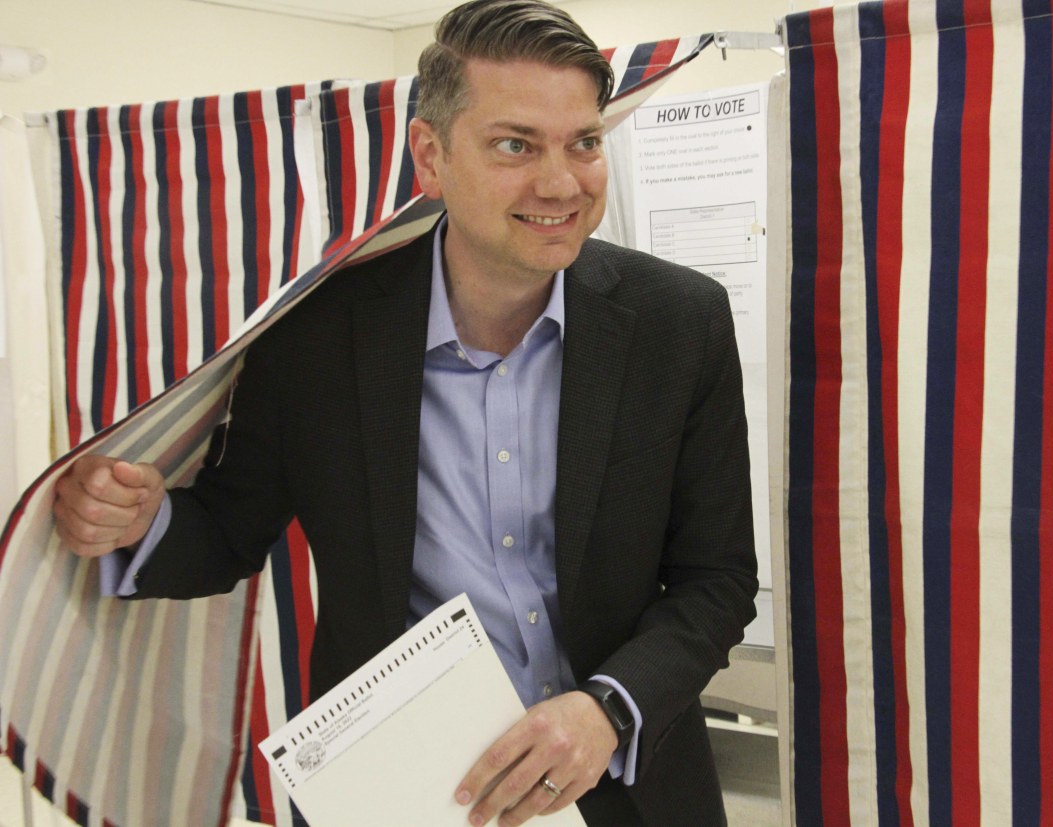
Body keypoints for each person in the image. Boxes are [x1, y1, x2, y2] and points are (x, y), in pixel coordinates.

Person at [52, 1, 757, 823]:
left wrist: (606, 709)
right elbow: (227, 531)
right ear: (430, 154)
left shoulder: (679, 323)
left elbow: (716, 579)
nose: (561, 183)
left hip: (627, 788)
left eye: (584, 143)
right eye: (514, 145)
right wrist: (133, 521)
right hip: (400, 788)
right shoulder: (316, 334)